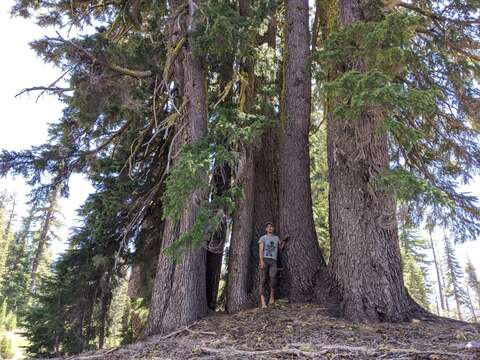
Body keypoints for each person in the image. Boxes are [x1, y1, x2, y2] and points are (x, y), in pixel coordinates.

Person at [258, 221, 288, 308]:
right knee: (262, 280)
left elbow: (281, 247)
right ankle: (263, 302)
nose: (270, 228)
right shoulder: (263, 238)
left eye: (271, 226)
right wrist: (261, 261)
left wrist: (284, 240)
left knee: (273, 278)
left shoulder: (276, 238)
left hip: (273, 261)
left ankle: (271, 297)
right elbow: (260, 250)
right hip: (265, 260)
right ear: (266, 229)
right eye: (268, 227)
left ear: (273, 228)